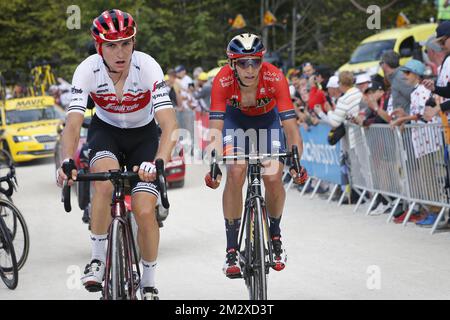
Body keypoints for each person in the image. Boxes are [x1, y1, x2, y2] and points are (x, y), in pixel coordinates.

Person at [56, 9, 178, 300]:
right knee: (103, 183)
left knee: (145, 209)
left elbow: (169, 123)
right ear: (99, 46)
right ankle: (98, 259)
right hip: (106, 131)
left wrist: (157, 162)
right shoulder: (87, 70)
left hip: (143, 135)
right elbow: (73, 123)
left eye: (126, 42)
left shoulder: (147, 66)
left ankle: (148, 282)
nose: (120, 52)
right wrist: (66, 160)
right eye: (111, 45)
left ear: (134, 42)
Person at [204, 33, 308, 278]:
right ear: (232, 64)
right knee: (237, 170)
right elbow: (215, 129)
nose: (250, 69)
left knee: (273, 176)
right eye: (242, 63)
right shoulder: (221, 80)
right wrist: (214, 163)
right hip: (234, 122)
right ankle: (231, 249)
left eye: (255, 62)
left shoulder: (275, 76)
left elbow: (291, 127)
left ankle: (275, 236)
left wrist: (296, 162)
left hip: (267, 122)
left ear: (262, 61)